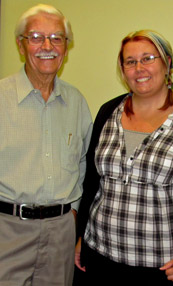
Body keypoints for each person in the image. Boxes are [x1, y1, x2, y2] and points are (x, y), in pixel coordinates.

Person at [75, 29, 173, 286]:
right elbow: (91, 183)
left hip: (161, 267)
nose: (139, 68)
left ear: (168, 64)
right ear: (123, 70)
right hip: (99, 257)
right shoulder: (108, 112)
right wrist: (80, 237)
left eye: (148, 58)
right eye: (130, 62)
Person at [0, 4, 93, 286]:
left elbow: (83, 163)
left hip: (60, 233)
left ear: (66, 47)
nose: (47, 46)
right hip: (7, 230)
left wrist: (73, 213)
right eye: (37, 37)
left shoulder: (76, 102)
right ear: (21, 44)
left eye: (57, 38)